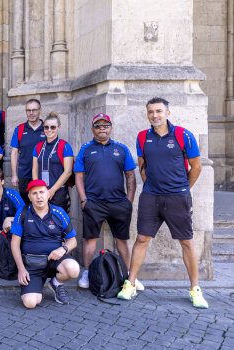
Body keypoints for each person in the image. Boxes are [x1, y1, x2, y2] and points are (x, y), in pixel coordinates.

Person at [118, 97, 208, 309]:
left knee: (186, 241)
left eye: (158, 111)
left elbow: (197, 167)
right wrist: (152, 188)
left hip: (178, 197)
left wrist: (184, 188)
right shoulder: (142, 137)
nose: (154, 115)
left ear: (168, 113)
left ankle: (195, 289)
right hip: (151, 197)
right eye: (151, 112)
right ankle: (130, 284)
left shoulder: (183, 135)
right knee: (141, 238)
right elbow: (143, 167)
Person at [74, 113, 142, 290]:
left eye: (105, 125)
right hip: (94, 203)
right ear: (92, 129)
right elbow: (78, 176)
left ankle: (129, 276)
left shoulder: (121, 148)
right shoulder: (86, 149)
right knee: (90, 240)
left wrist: (129, 201)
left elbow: (130, 175)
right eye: (98, 126)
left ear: (110, 128)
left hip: (119, 203)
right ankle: (88, 273)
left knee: (122, 240)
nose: (102, 128)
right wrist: (83, 200)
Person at [10, 180, 80, 308]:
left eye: (42, 192)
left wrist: (63, 249)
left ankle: (56, 283)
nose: (39, 196)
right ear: (30, 197)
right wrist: (21, 269)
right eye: (34, 193)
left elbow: (73, 241)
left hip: (55, 260)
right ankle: (37, 285)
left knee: (73, 269)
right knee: (30, 303)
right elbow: (14, 243)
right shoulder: (23, 213)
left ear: (48, 194)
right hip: (32, 263)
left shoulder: (59, 213)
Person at [31, 112, 73, 212]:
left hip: (58, 191)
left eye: (53, 127)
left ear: (58, 128)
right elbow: (34, 169)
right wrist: (37, 189)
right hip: (41, 193)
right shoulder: (38, 147)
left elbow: (68, 172)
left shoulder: (65, 146)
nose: (49, 130)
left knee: (58, 222)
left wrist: (52, 190)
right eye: (46, 127)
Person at [10, 99, 46, 203]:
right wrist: (14, 174)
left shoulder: (47, 128)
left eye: (34, 110)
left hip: (43, 174)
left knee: (42, 203)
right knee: (25, 204)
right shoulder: (20, 129)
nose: (31, 113)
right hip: (24, 174)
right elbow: (14, 152)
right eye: (28, 110)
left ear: (40, 110)